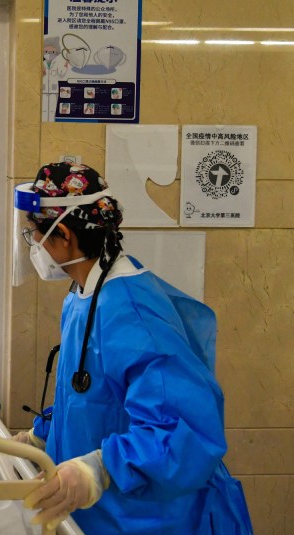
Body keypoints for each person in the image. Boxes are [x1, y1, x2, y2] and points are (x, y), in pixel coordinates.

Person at [13, 162, 252, 534]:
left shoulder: (130, 312)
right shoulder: (84, 294)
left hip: (155, 517)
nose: (33, 246)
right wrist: (42, 433)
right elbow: (92, 397)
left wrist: (100, 468)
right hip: (104, 515)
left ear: (62, 236)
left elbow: (184, 432)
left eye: (33, 236)